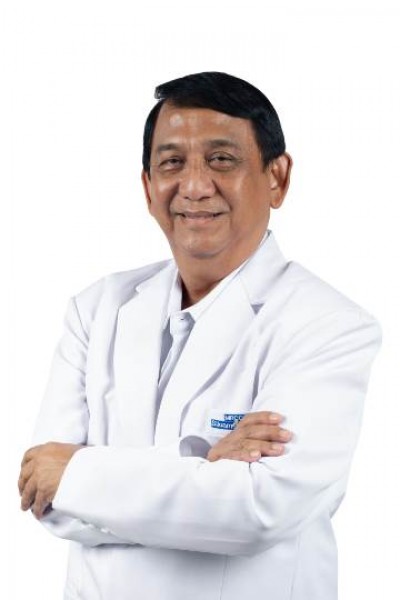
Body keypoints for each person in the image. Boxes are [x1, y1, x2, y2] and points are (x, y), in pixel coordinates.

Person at [18, 71, 381, 600]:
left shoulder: (329, 324)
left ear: (277, 178)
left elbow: (256, 510)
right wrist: (202, 464)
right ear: (148, 187)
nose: (193, 186)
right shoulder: (95, 309)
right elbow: (44, 491)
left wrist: (82, 477)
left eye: (222, 159)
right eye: (171, 163)